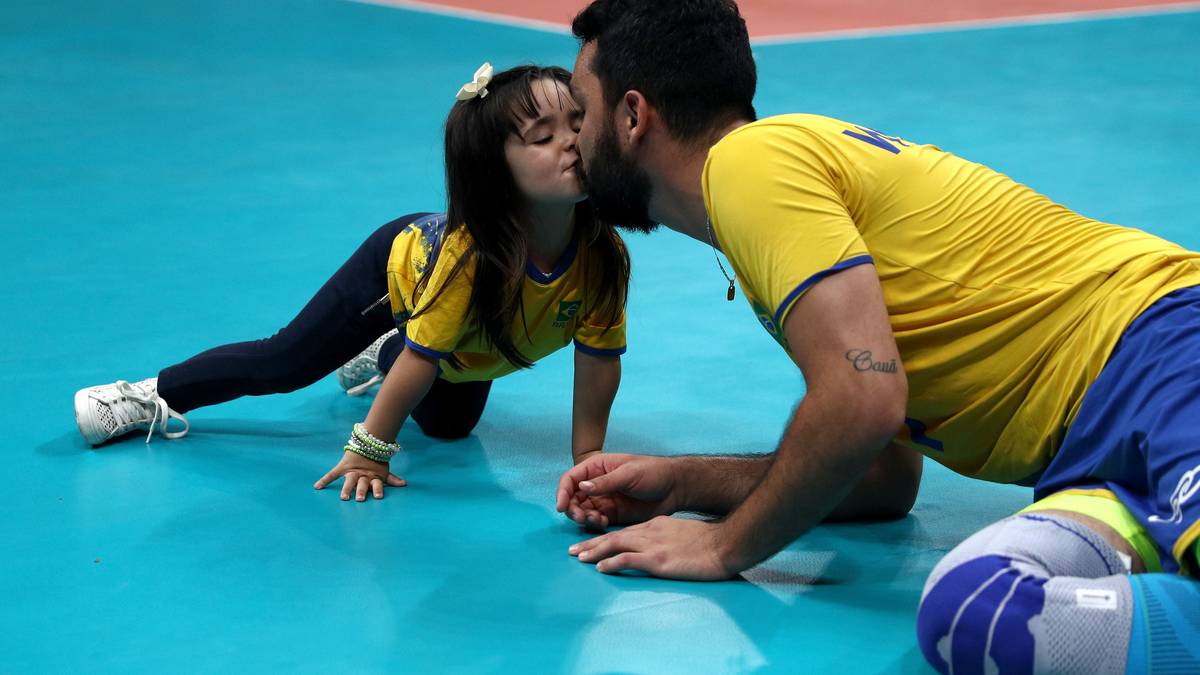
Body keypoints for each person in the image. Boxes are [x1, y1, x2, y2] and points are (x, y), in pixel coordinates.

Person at [553, 1, 1200, 672]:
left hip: (1167, 356)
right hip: (1099, 458)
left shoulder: (749, 165)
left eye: (580, 111)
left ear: (633, 116)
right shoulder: (769, 201)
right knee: (978, 613)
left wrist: (724, 545)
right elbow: (884, 477)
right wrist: (687, 482)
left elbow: (863, 399)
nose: (571, 140)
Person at [73, 64, 630, 502]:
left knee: (449, 426)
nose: (571, 142)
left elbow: (598, 361)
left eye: (578, 124)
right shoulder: (467, 260)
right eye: (543, 136)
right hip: (393, 274)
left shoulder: (602, 257)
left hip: (462, 348)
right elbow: (422, 362)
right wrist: (371, 450)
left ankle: (387, 349)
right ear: (494, 170)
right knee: (286, 363)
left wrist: (587, 460)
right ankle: (152, 394)